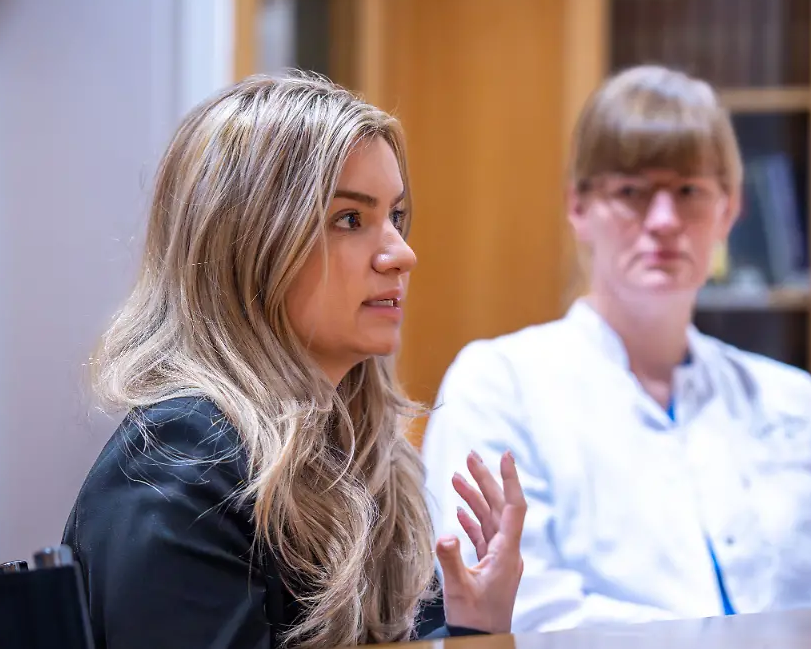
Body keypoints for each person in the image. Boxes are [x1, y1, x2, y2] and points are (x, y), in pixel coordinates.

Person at [61, 72, 526, 649]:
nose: (402, 254)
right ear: (251, 244)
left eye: (396, 217)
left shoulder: (360, 453)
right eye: (351, 220)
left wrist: (476, 628)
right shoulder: (181, 459)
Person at [419, 65, 811, 632]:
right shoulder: (497, 384)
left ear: (729, 210)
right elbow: (519, 607)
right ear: (577, 208)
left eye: (689, 191)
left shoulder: (792, 401)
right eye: (631, 192)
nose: (663, 221)